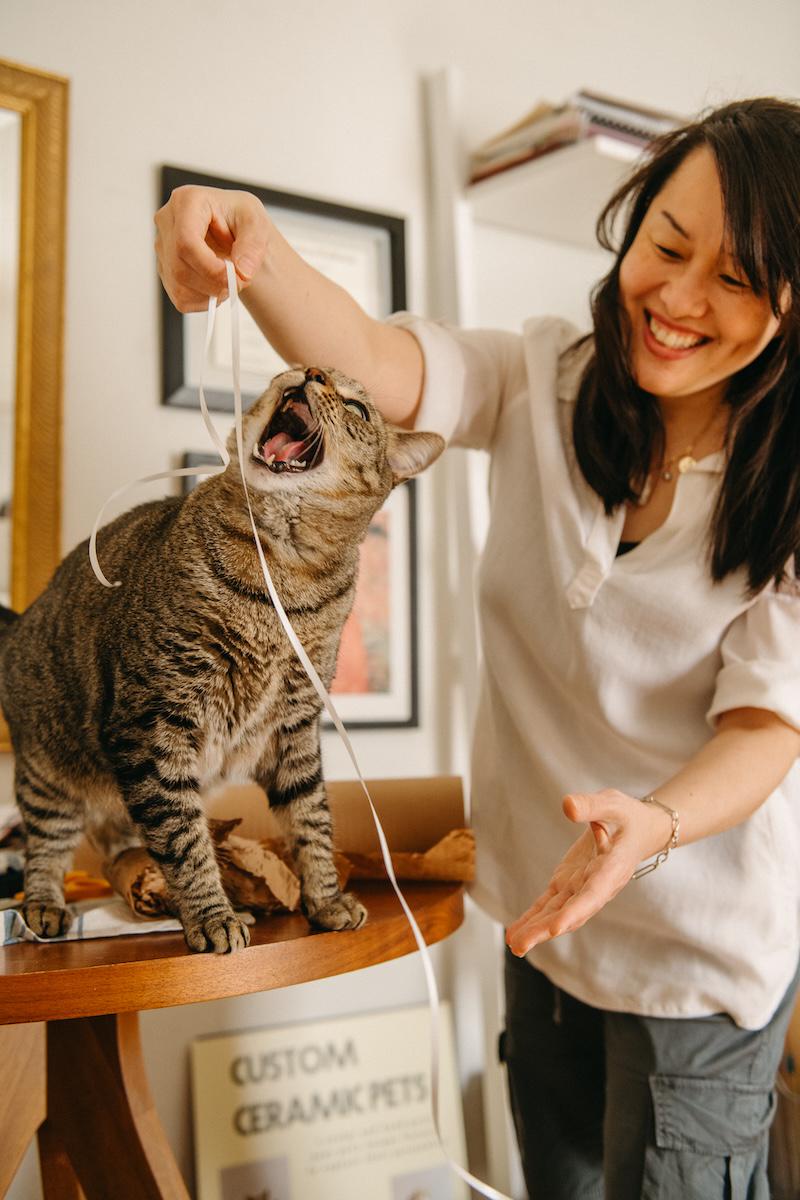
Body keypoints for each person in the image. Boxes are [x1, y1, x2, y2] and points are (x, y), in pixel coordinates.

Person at [155, 97, 800, 1199]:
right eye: (665, 244)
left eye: (735, 279)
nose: (679, 300)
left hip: (693, 967)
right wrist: (250, 248)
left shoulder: (783, 493)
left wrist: (650, 826)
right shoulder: (539, 380)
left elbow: (763, 726)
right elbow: (366, 357)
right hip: (539, 934)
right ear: (629, 228)